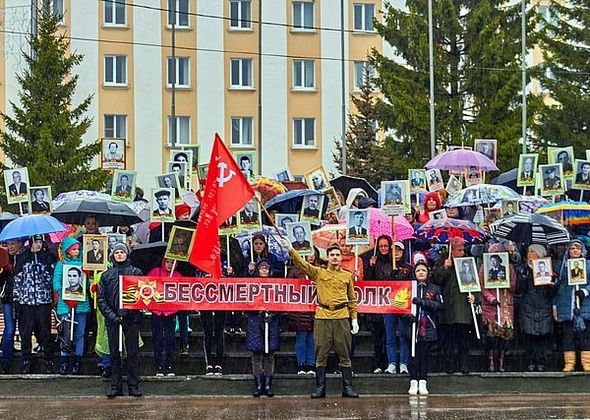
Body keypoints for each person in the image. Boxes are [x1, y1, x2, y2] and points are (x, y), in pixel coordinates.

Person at [280, 239, 359, 399]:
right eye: (332, 255)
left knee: (344, 353)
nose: (335, 257)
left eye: (337, 255)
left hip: (341, 316)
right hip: (322, 316)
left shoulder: (346, 276)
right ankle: (320, 387)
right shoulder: (319, 272)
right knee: (321, 352)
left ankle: (347, 387)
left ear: (341, 257)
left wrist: (354, 318)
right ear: (327, 257)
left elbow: (352, 299)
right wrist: (290, 249)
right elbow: (303, 265)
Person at [98, 242, 143, 398]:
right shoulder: (106, 275)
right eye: (117, 252)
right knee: (114, 353)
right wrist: (113, 316)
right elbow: (101, 299)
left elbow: (141, 295)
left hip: (131, 320)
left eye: (122, 252)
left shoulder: (136, 272)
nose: (119, 255)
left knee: (132, 353)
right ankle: (115, 385)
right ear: (113, 255)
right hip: (113, 320)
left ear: (127, 254)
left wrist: (129, 311)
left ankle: (133, 385)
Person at [432, 237, 479, 374]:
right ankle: (450, 364)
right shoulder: (442, 261)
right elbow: (435, 280)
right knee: (449, 339)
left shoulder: (468, 261)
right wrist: (445, 268)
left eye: (463, 249)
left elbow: (474, 282)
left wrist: (474, 296)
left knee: (463, 339)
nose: (462, 252)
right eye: (459, 250)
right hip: (448, 306)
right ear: (452, 250)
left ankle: (464, 364)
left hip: (463, 306)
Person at [366, 236, 410, 376]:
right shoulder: (385, 265)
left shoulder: (408, 267)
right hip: (388, 307)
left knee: (403, 336)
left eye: (399, 250)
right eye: (394, 250)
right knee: (390, 337)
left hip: (403, 307)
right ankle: (391, 363)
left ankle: (403, 363)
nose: (396, 253)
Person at [13, 234, 55, 374]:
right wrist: (17, 299)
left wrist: (44, 269)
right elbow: (18, 281)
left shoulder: (47, 257)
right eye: (34, 242)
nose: (37, 245)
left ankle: (48, 359)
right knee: (26, 333)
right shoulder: (22, 258)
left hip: (43, 301)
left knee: (45, 331)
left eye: (39, 242)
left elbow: (51, 280)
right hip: (26, 302)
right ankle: (26, 360)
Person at [53, 237, 90, 375]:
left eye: (78, 248)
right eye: (74, 249)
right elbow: (56, 282)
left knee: (80, 333)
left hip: (81, 304)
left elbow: (87, 285)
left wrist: (87, 276)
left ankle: (77, 361)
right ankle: (64, 361)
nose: (77, 251)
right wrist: (65, 296)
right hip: (65, 305)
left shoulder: (83, 264)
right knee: (66, 333)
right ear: (68, 251)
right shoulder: (61, 264)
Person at [479, 243, 517, 372]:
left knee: (504, 336)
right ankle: (490, 360)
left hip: (505, 305)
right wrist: (492, 299)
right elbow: (482, 287)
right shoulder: (484, 268)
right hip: (491, 307)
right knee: (491, 335)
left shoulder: (509, 268)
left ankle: (501, 362)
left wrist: (505, 282)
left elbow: (514, 285)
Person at [516, 244, 554, 371]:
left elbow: (552, 291)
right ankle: (531, 361)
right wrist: (527, 271)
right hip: (528, 305)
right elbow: (519, 288)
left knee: (542, 335)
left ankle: (541, 361)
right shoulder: (523, 268)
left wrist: (551, 283)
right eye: (528, 251)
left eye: (532, 252)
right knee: (530, 335)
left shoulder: (548, 268)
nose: (529, 254)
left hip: (543, 305)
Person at [407, 262, 443, 395]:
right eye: (418, 271)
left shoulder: (434, 288)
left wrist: (423, 302)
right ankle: (413, 380)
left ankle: (423, 380)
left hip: (427, 326)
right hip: (412, 328)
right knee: (413, 356)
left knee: (424, 356)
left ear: (427, 273)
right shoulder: (410, 288)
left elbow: (439, 305)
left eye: (423, 270)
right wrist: (408, 317)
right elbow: (401, 305)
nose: (421, 273)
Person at [554, 239, 590, 372]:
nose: (575, 251)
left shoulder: (588, 265)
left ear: (582, 251)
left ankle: (586, 362)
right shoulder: (562, 266)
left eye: (577, 248)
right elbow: (558, 287)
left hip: (584, 306)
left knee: (585, 335)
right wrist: (555, 305)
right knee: (567, 335)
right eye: (572, 248)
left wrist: (585, 291)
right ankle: (569, 362)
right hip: (566, 306)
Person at [246, 259, 281, 397]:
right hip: (255, 321)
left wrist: (273, 314)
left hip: (271, 322)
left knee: (269, 354)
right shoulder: (251, 283)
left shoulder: (276, 284)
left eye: (267, 267)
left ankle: (268, 385)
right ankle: (258, 384)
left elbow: (281, 302)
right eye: (262, 267)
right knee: (256, 355)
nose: (264, 270)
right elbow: (243, 300)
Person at [288, 248, 320, 375]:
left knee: (312, 338)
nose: (311, 256)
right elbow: (290, 287)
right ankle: (301, 364)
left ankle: (311, 364)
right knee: (301, 337)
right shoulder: (295, 270)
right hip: (300, 311)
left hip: (315, 310)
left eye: (313, 254)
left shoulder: (318, 270)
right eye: (309, 253)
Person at [148, 257, 180, 376]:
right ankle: (159, 366)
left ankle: (170, 365)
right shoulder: (155, 272)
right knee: (158, 339)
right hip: (156, 312)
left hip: (171, 312)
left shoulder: (177, 276)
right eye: (167, 262)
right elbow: (146, 287)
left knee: (170, 339)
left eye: (172, 262)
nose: (169, 264)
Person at [0, 244, 17, 374]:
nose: (10, 247)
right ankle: (5, 360)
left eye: (13, 243)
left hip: (21, 299)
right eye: (8, 244)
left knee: (22, 328)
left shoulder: (24, 257)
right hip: (7, 298)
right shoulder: (4, 258)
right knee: (10, 329)